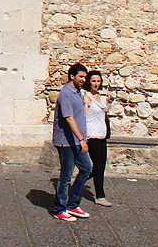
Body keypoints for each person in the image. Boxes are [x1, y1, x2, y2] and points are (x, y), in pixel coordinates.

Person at [52, 63, 92, 222]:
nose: (83, 80)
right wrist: (81, 139)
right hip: (66, 142)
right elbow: (69, 118)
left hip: (77, 140)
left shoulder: (77, 93)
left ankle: (73, 204)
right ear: (72, 76)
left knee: (86, 169)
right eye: (81, 77)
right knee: (66, 176)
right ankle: (59, 208)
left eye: (84, 77)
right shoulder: (66, 94)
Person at [84, 69, 115, 207]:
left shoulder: (100, 97)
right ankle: (100, 196)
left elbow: (104, 111)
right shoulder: (87, 97)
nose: (96, 84)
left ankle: (80, 179)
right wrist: (83, 138)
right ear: (89, 82)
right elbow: (84, 118)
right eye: (94, 81)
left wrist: (110, 101)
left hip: (102, 135)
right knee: (99, 165)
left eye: (98, 81)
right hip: (92, 136)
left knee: (99, 165)